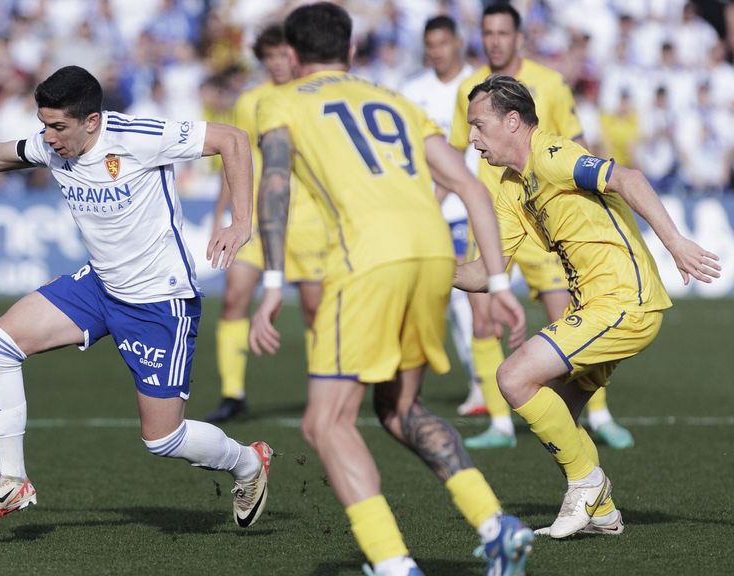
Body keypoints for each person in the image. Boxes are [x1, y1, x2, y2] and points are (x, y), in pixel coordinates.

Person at [0, 66, 274, 529]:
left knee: (162, 439)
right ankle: (13, 479)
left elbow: (232, 139)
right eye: (43, 124)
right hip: (100, 286)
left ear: (92, 121)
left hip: (158, 302)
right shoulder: (54, 145)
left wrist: (242, 221)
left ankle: (248, 463)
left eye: (58, 127)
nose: (47, 137)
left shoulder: (138, 136)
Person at [248, 5, 533, 575]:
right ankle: (495, 525)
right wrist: (497, 281)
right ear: (351, 53)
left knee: (324, 423)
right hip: (433, 252)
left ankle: (393, 564)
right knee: (399, 409)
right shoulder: (397, 101)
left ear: (295, 58)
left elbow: (274, 182)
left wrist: (274, 280)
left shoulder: (281, 99)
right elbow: (470, 189)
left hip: (367, 259)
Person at [456, 74, 720, 538]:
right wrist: (424, 269)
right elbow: (484, 274)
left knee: (513, 377)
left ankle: (586, 484)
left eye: (479, 125)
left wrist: (675, 243)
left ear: (513, 121)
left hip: (624, 301)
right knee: (554, 411)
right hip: (599, 307)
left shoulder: (553, 154)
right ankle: (603, 514)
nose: (471, 137)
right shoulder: (511, 187)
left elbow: (628, 178)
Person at [450, 3, 635, 450]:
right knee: (483, 317)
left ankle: (599, 413)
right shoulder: (468, 90)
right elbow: (457, 152)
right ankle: (498, 422)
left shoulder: (549, 83)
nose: (494, 40)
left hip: (544, 216)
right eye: (487, 33)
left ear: (519, 38)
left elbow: (576, 143)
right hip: (494, 216)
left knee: (568, 316)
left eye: (502, 33)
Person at [205, 23, 328, 423]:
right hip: (255, 218)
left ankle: (322, 392)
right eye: (270, 56)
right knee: (235, 297)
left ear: (295, 55)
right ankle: (233, 393)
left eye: (283, 54)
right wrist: (221, 215)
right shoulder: (251, 101)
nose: (277, 63)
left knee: (314, 309)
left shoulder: (312, 96)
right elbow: (235, 161)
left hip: (306, 217)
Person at [398, 15, 483, 417]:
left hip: (467, 208)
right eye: (430, 44)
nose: (436, 51)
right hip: (424, 210)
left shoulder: (480, 85)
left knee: (470, 298)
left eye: (443, 43)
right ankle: (475, 380)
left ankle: (483, 383)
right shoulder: (412, 91)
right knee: (438, 301)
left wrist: (442, 191)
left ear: (458, 43)